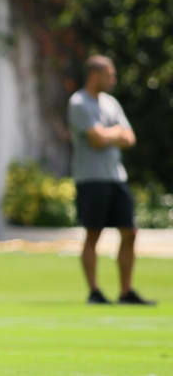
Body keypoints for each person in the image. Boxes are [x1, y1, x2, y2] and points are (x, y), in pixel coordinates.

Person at [67, 55, 155, 305]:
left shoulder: (111, 103)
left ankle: (126, 291)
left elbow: (130, 137)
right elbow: (95, 139)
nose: (113, 79)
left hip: (116, 177)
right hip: (91, 178)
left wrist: (112, 134)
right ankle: (94, 291)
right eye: (110, 74)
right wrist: (114, 133)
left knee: (130, 232)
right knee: (93, 233)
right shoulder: (79, 103)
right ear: (95, 75)